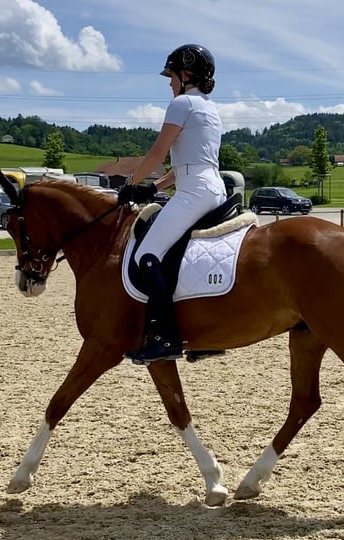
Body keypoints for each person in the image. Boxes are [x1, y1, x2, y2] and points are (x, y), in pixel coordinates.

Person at [119, 43, 227, 364]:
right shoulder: (209, 108)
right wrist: (154, 186)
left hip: (194, 192)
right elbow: (185, 166)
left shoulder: (181, 104)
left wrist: (132, 184)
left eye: (171, 76)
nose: (169, 83)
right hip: (212, 187)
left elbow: (157, 152)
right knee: (184, 256)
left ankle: (166, 337)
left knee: (147, 254)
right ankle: (203, 332)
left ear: (185, 74)